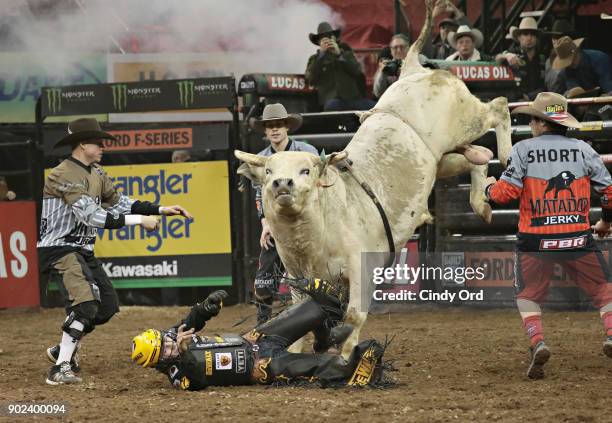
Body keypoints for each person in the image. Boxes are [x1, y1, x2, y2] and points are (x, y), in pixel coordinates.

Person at [38, 118, 192, 385]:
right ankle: (60, 366)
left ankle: (63, 348)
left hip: (81, 249)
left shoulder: (97, 172)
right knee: (86, 304)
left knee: (106, 306)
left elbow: (119, 203)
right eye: (98, 143)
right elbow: (92, 217)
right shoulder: (62, 173)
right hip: (59, 247)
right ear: (82, 144)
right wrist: (140, 221)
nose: (103, 147)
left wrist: (159, 209)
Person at [484, 92, 612, 379]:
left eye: (532, 119)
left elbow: (506, 195)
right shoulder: (583, 149)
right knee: (604, 289)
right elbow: (609, 191)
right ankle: (611, 335)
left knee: (528, 295)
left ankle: (538, 341)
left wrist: (487, 189)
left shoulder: (523, 149)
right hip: (576, 236)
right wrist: (605, 221)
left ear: (542, 123)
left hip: (535, 239)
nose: (531, 124)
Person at [131, 281, 384, 390]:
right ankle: (356, 368)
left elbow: (190, 323)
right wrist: (185, 354)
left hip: (256, 339)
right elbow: (196, 383)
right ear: (160, 362)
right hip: (262, 368)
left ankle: (325, 332)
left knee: (318, 307)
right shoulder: (178, 376)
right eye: (163, 349)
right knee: (317, 366)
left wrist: (204, 308)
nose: (169, 343)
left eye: (164, 339)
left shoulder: (174, 336)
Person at [248, 103, 318, 324]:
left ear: (287, 127)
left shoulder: (307, 153)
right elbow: (261, 195)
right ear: (266, 131)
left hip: (308, 225)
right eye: (270, 126)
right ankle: (262, 327)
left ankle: (327, 326)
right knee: (263, 284)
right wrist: (265, 223)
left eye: (278, 125)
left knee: (320, 278)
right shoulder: (261, 159)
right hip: (278, 226)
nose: (274, 130)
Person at [305, 22, 375, 111]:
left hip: (353, 99)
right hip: (331, 101)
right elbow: (310, 79)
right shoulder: (314, 59)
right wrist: (321, 56)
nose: (328, 41)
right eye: (324, 39)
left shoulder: (347, 54)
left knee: (376, 107)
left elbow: (357, 71)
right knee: (333, 106)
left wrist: (339, 55)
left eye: (330, 38)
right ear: (319, 43)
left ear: (335, 39)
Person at [495, 17, 546, 100]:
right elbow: (496, 59)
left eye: (532, 34)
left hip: (538, 100)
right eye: (525, 34)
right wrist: (506, 56)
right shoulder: (512, 53)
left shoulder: (542, 58)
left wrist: (530, 97)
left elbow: (545, 85)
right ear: (519, 37)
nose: (529, 38)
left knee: (558, 108)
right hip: (517, 102)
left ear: (536, 38)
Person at [372, 34, 411, 98]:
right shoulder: (388, 66)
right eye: (395, 47)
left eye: (402, 47)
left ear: (408, 48)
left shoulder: (418, 61)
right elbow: (378, 93)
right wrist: (383, 72)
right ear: (391, 51)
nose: (398, 50)